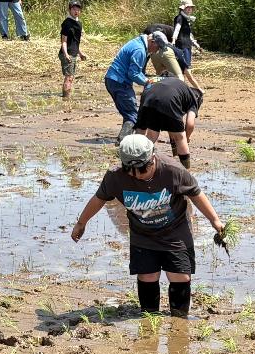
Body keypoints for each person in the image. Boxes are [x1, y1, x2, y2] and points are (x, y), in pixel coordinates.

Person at [70, 134, 229, 318]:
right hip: (143, 235)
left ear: (153, 157)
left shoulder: (172, 170)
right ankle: (149, 317)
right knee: (147, 276)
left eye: (144, 169)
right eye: (132, 171)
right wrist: (81, 223)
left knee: (180, 276)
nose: (139, 175)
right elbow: (98, 199)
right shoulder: (115, 177)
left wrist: (215, 221)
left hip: (175, 232)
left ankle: (179, 319)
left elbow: (196, 194)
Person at [104, 29, 174, 131]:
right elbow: (133, 74)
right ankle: (123, 141)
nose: (157, 51)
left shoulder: (138, 42)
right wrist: (147, 82)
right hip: (119, 82)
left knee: (129, 112)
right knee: (132, 115)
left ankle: (126, 139)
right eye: (158, 47)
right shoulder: (139, 50)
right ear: (152, 41)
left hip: (114, 79)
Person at [137, 74, 203, 165]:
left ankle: (139, 161)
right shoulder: (194, 98)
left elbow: (171, 124)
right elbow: (190, 124)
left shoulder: (180, 88)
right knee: (180, 138)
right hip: (169, 100)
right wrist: (186, 138)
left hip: (150, 96)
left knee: (152, 135)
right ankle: (185, 170)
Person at [168, 0, 203, 79]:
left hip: (187, 45)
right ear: (183, 8)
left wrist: (196, 45)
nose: (190, 9)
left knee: (185, 67)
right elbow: (177, 29)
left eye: (191, 8)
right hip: (182, 45)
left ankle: (181, 83)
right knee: (185, 67)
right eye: (188, 7)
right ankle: (182, 84)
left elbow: (188, 34)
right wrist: (173, 40)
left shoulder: (187, 19)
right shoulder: (179, 18)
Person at [59, 1, 85, 99]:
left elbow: (75, 41)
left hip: (74, 53)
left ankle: (66, 96)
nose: (76, 11)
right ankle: (66, 99)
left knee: (71, 77)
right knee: (68, 77)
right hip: (67, 53)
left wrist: (80, 53)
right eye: (74, 9)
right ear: (69, 10)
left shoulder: (79, 23)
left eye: (78, 9)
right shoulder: (67, 23)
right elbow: (64, 41)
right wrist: (66, 54)